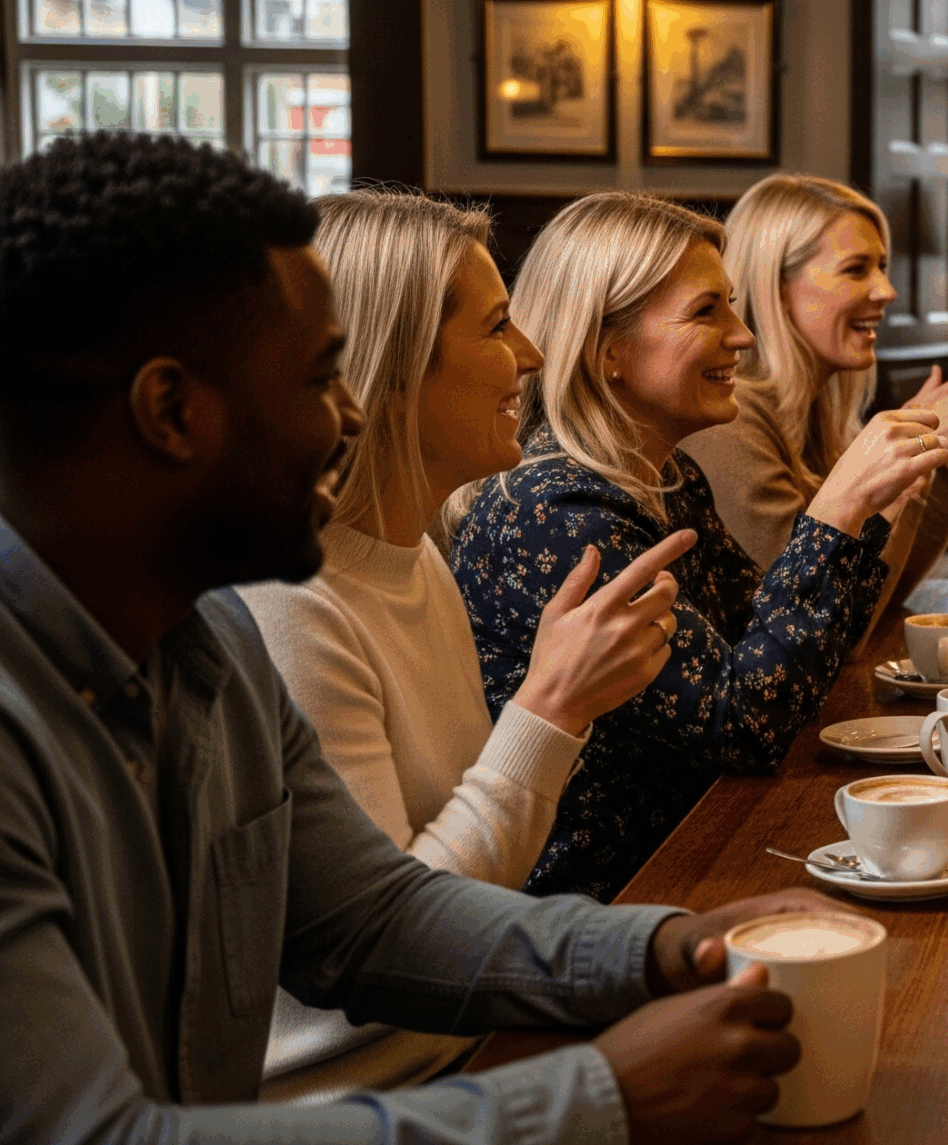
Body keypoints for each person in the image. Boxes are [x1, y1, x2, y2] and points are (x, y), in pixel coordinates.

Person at [0, 132, 863, 1141]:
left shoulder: (211, 639)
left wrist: (658, 946)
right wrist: (599, 1096)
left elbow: (372, 917)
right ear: (171, 411)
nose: (353, 411)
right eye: (319, 375)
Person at [239, 191, 697, 1099]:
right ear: (391, 366)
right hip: (373, 1093)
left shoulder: (417, 557)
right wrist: (550, 709)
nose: (530, 355)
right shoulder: (292, 605)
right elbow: (388, 959)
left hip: (471, 1042)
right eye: (497, 327)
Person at [452, 192, 948, 902]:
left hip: (696, 849)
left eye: (733, 306)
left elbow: (773, 643)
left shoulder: (665, 475)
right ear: (609, 351)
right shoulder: (560, 513)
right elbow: (743, 723)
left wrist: (871, 508)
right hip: (602, 903)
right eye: (706, 311)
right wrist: (837, 512)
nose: (743, 336)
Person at [683, 174, 948, 610]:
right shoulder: (732, 424)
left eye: (882, 267)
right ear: (778, 288)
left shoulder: (820, 418)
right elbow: (825, 623)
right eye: (855, 269)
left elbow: (885, 596)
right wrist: (918, 451)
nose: (887, 291)